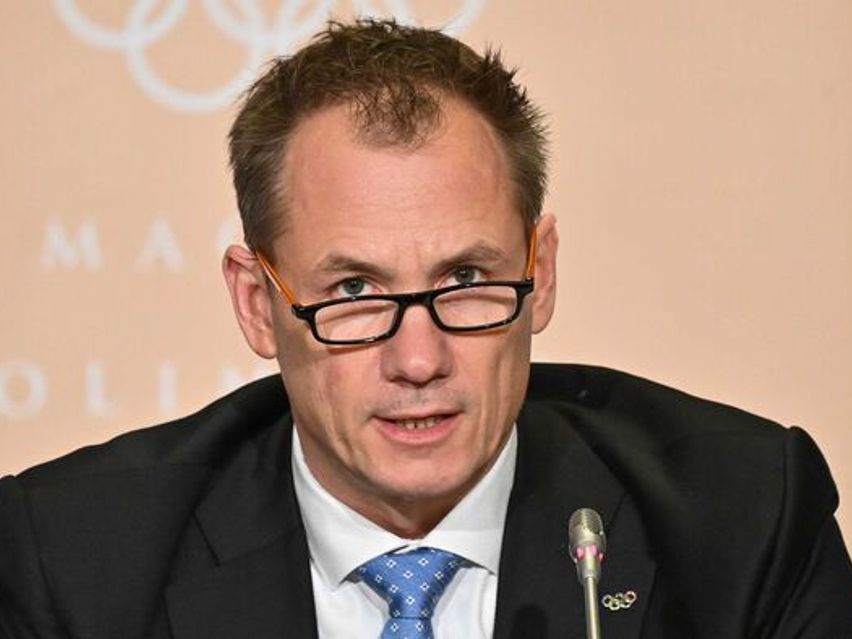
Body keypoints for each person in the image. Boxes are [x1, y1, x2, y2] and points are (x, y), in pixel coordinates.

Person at [1, 19, 850, 639]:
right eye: (355, 290)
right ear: (258, 302)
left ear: (542, 272)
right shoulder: (73, 562)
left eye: (467, 280)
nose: (419, 359)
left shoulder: (743, 523)